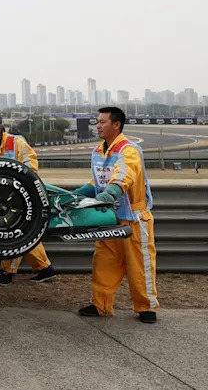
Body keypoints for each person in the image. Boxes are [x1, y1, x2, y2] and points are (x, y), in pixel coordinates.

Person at [75, 107, 158, 323]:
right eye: (97, 122)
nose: (98, 126)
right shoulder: (98, 151)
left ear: (116, 125)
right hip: (108, 217)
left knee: (139, 265)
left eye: (102, 122)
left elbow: (125, 174)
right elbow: (98, 180)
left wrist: (111, 193)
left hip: (133, 219)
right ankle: (101, 305)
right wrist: (79, 193)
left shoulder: (128, 150)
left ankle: (146, 308)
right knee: (104, 262)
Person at [0, 113, 56, 285]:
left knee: (13, 234)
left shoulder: (17, 142)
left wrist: (18, 187)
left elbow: (31, 168)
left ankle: (8, 272)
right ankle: (45, 269)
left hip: (22, 197)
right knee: (25, 234)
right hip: (2, 198)